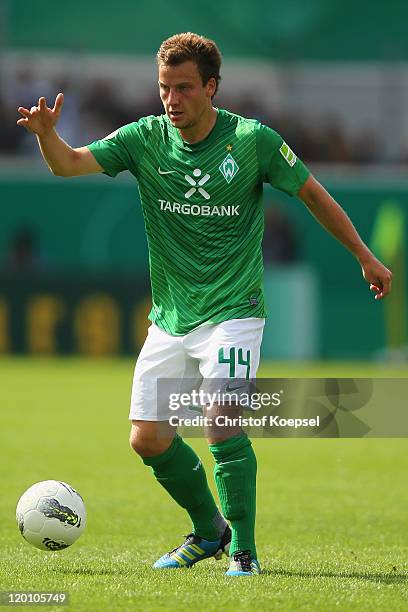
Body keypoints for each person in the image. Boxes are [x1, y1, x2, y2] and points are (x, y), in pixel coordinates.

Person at [16, 32, 392, 577]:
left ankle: (244, 549)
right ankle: (208, 530)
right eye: (165, 88)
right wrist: (48, 137)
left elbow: (312, 192)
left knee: (219, 415)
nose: (172, 100)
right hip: (170, 316)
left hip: (235, 311)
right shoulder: (144, 138)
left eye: (185, 88)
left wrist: (364, 255)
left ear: (211, 87)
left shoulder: (252, 140)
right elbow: (68, 165)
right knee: (147, 439)